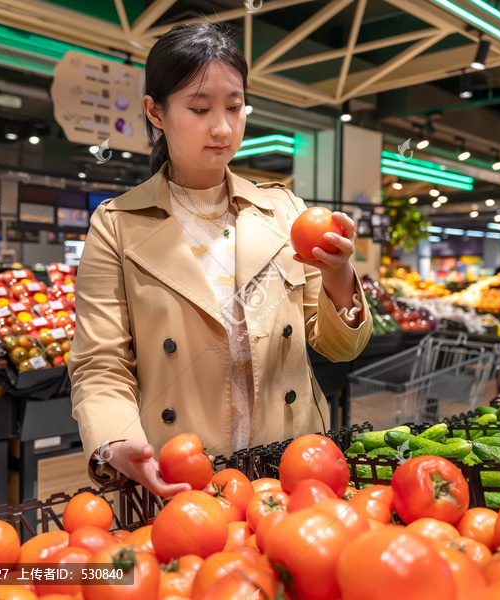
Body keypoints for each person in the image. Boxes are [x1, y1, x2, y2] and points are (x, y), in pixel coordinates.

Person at [68, 23, 372, 495]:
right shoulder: (117, 225)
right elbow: (100, 364)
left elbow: (340, 348)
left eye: (235, 107)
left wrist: (339, 275)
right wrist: (114, 441)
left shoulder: (284, 211)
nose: (223, 128)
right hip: (180, 475)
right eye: (199, 108)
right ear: (155, 111)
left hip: (293, 466)